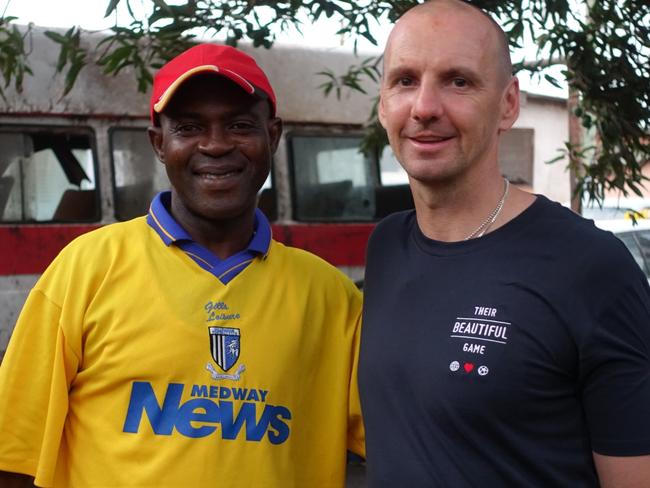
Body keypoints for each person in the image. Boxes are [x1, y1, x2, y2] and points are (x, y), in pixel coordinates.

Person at [0, 43, 364, 487]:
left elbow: (405, 447)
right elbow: (14, 457)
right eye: (189, 127)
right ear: (159, 143)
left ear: (272, 136)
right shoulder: (85, 268)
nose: (215, 144)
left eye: (239, 125)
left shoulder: (332, 297)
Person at [358, 1, 650, 486]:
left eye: (459, 81)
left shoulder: (590, 267)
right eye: (405, 80)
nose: (425, 108)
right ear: (384, 103)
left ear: (508, 104)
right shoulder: (387, 246)